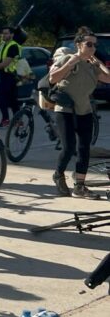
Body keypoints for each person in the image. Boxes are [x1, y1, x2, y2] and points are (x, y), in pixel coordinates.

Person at [48, 29, 110, 197]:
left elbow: (108, 78)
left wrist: (98, 62)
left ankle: (79, 187)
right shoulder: (67, 59)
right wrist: (71, 62)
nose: (92, 48)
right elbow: (52, 79)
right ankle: (58, 174)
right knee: (68, 148)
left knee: (84, 149)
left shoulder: (92, 65)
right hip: (66, 110)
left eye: (95, 45)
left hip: (85, 110)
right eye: (88, 44)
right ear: (78, 45)